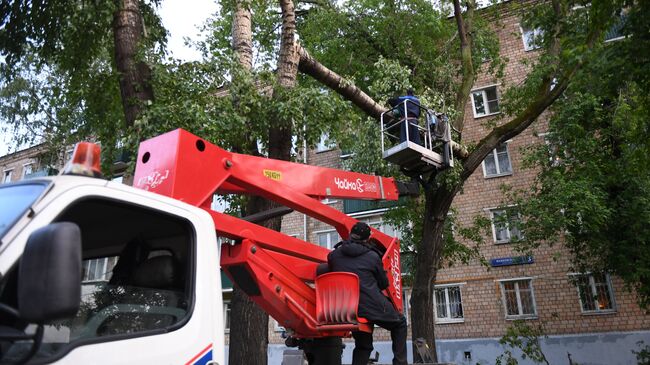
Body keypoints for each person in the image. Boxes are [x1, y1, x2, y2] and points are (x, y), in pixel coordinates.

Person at [327, 222, 408, 365]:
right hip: (367, 306)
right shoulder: (372, 256)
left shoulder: (333, 256)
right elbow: (383, 284)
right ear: (367, 238)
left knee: (364, 344)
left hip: (344, 308)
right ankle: (400, 363)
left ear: (351, 234)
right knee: (400, 323)